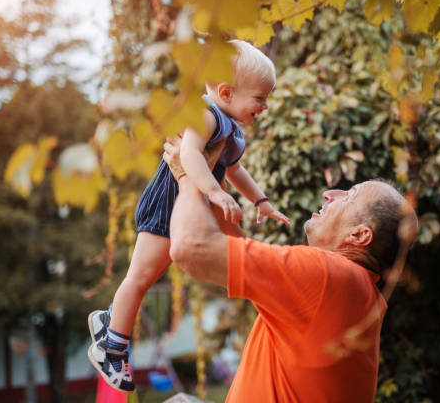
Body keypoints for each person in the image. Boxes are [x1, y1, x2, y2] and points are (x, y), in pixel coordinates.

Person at [87, 40, 289, 392]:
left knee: (149, 273)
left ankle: (109, 321)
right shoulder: (208, 115)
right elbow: (190, 155)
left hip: (182, 202)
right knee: (141, 275)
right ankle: (111, 347)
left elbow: (236, 171)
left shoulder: (231, 127)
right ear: (226, 91)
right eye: (259, 98)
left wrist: (262, 201)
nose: (265, 106)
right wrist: (213, 191)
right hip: (167, 199)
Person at [161, 137, 419, 402]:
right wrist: (212, 181)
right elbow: (235, 253)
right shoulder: (353, 289)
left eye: (349, 196)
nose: (330, 193)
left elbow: (191, 248)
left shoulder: (328, 276)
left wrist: (186, 176)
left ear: (359, 236)